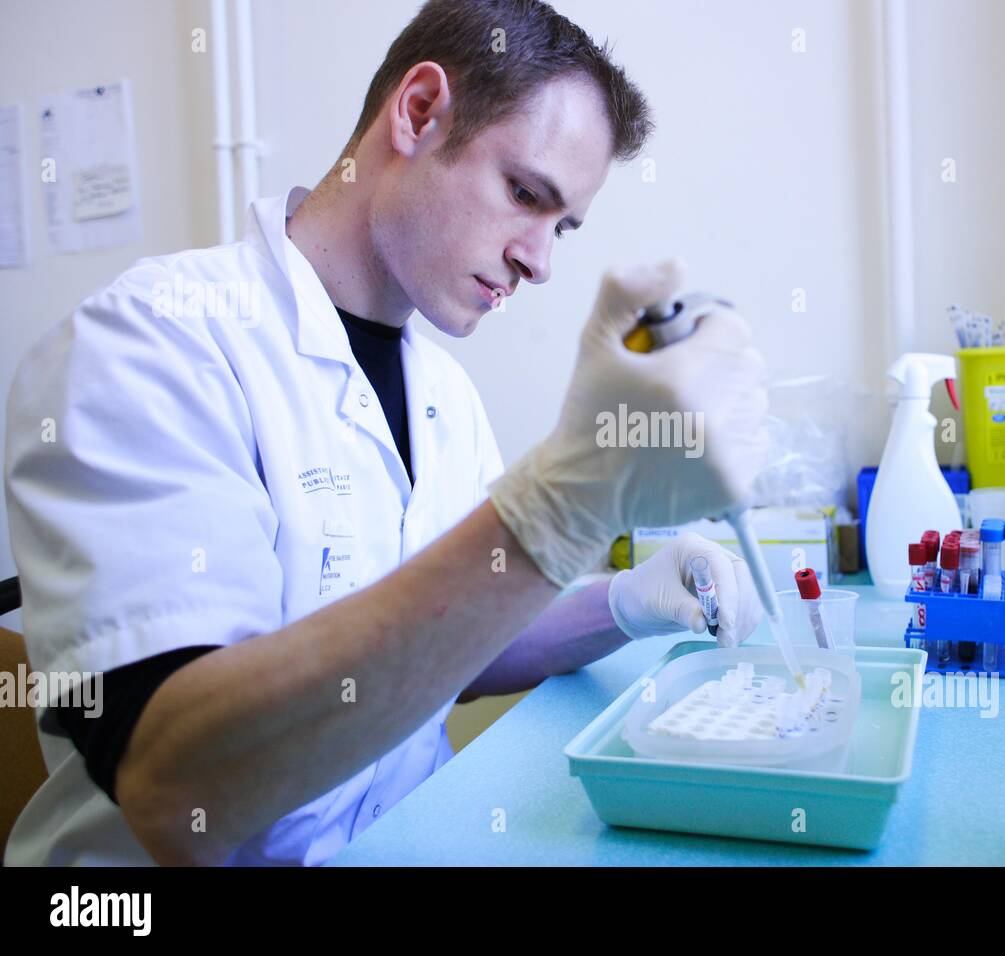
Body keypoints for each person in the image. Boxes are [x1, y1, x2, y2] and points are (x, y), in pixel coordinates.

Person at [3, 0, 768, 866]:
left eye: (563, 226)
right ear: (418, 112)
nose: (540, 260)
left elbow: (450, 644)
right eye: (525, 194)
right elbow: (174, 790)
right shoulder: (150, 344)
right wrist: (560, 506)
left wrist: (624, 604)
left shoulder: (440, 391)